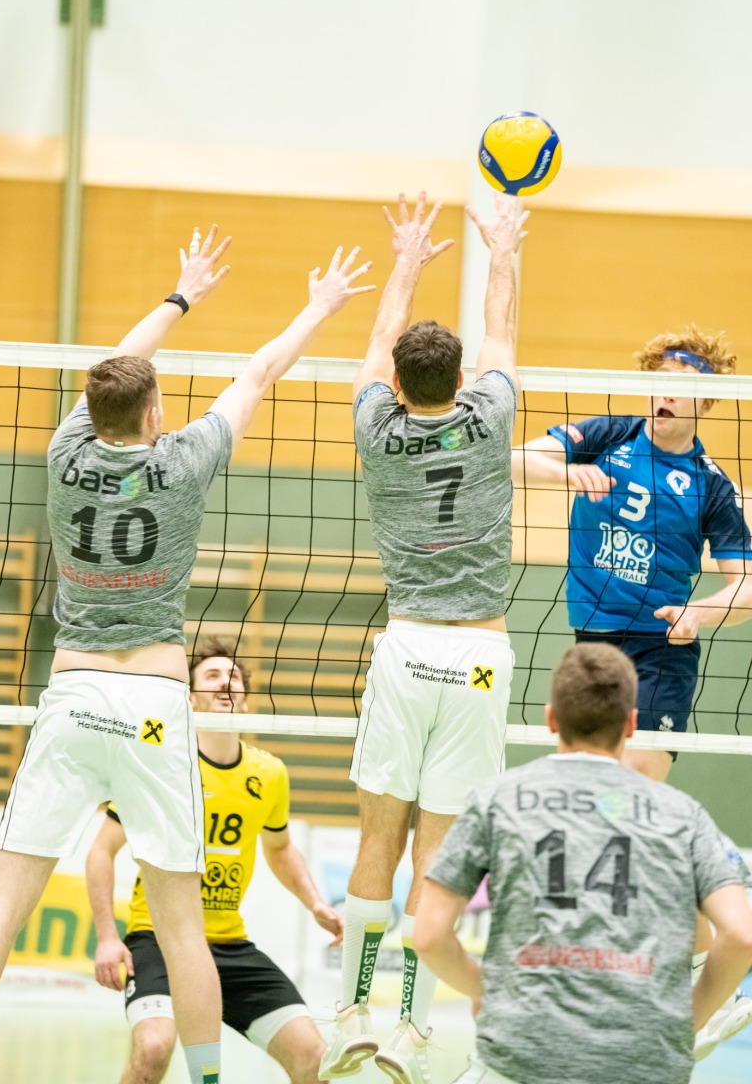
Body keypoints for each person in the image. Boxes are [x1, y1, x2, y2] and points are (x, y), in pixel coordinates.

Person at [0, 226, 373, 1084]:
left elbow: (115, 365)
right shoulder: (184, 461)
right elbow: (259, 373)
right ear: (154, 416)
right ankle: (209, 1079)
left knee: (1, 907)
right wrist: (319, 307)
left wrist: (179, 297)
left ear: (95, 410)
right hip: (150, 704)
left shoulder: (64, 453)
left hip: (72, 697)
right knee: (183, 926)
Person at [320, 193, 527, 1083]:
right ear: (460, 380)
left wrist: (406, 256)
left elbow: (377, 342)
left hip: (407, 650)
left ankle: (350, 1016)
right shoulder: (492, 413)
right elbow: (502, 331)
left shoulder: (377, 427)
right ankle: (411, 1027)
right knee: (435, 852)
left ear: (400, 387)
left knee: (378, 839)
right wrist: (502, 247)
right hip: (479, 655)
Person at [511, 325, 752, 1054]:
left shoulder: (712, 485)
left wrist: (701, 613)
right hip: (592, 652)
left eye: (682, 387)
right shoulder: (607, 435)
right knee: (598, 818)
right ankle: (691, 951)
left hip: (661, 654)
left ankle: (695, 974)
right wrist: (568, 476)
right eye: (659, 381)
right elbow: (515, 458)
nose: (664, 395)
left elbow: (746, 582)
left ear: (707, 403)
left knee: (635, 805)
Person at [413, 641, 752, 1084]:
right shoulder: (684, 816)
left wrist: (487, 992)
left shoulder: (495, 801)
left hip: (520, 1056)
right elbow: (741, 936)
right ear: (632, 724)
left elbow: (428, 935)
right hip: (645, 1063)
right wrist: (688, 1020)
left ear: (551, 718)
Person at [86, 637, 343, 1084]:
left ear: (245, 697)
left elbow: (280, 848)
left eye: (234, 676)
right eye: (212, 675)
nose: (226, 682)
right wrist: (108, 937)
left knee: (315, 1058)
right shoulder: (160, 765)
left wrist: (316, 903)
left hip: (229, 946)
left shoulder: (269, 773)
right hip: (158, 940)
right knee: (153, 1048)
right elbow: (101, 852)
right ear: (189, 697)